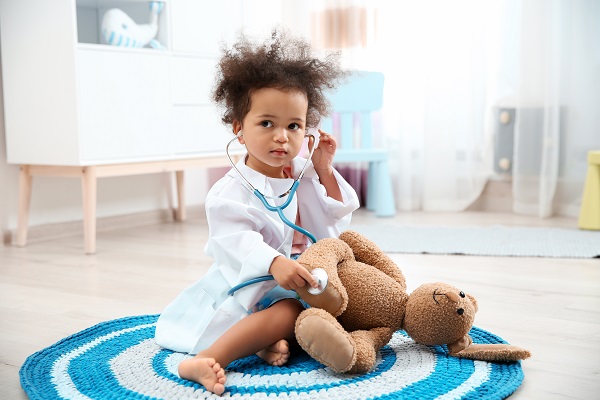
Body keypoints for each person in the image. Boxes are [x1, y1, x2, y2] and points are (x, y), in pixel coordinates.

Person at [155, 28, 360, 395]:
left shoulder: (301, 173)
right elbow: (235, 241)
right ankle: (206, 359)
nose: (282, 136)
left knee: (331, 309)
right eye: (267, 123)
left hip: (290, 280)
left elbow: (331, 219)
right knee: (293, 314)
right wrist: (273, 263)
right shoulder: (228, 192)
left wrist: (325, 169)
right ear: (239, 129)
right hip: (249, 283)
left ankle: (266, 343)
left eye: (294, 126)